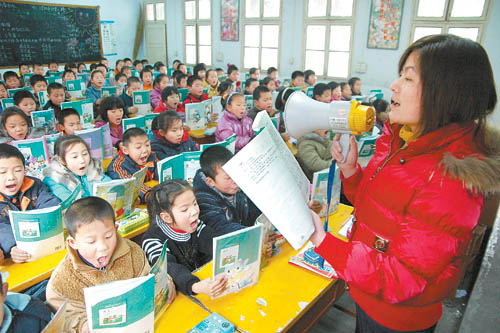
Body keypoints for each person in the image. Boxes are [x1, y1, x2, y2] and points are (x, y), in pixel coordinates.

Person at [309, 34, 500, 333]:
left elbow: (401, 278)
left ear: (446, 93)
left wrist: (325, 244)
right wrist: (351, 172)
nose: (394, 86)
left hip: (395, 318)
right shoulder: (404, 138)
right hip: (369, 293)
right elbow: (383, 211)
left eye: (408, 79)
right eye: (400, 75)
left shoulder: (451, 178)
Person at [47, 196, 175, 332]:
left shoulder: (131, 251)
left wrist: (164, 284)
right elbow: (67, 319)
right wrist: (84, 327)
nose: (103, 247)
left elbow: (149, 277)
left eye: (108, 236)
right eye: (91, 242)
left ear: (116, 229)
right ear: (73, 242)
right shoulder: (62, 281)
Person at [142, 180, 227, 297]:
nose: (194, 211)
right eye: (184, 209)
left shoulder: (194, 225)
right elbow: (168, 268)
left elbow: (214, 242)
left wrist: (230, 248)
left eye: (195, 203)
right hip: (181, 293)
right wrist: (195, 286)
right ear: (166, 217)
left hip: (201, 285)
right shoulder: (152, 240)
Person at [0, 144, 60, 262]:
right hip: (15, 255)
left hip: (44, 246)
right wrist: (12, 246)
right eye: (2, 172)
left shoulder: (34, 185)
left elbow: (48, 204)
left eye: (17, 170)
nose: (11, 177)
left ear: (25, 170)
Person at [193, 146, 261, 235]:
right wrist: (254, 233)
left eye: (236, 173)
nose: (235, 180)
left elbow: (254, 211)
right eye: (228, 178)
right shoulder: (203, 201)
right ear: (210, 181)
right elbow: (220, 227)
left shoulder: (238, 188)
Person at [43, 135, 110, 202]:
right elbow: (72, 204)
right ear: (61, 160)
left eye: (85, 154)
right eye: (75, 157)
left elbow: (109, 185)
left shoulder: (95, 168)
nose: (82, 160)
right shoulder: (55, 179)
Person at [107, 128, 158, 203]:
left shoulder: (152, 156)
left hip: (151, 193)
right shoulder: (118, 166)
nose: (145, 150)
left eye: (147, 145)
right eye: (138, 147)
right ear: (125, 150)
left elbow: (161, 172)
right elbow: (132, 184)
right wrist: (149, 195)